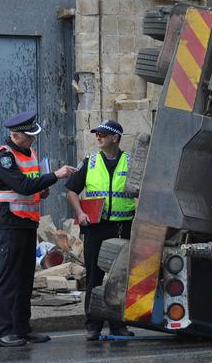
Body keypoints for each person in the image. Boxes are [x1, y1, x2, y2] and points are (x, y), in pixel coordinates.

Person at [0, 110, 76, 347]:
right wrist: (54, 176)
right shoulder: (3, 158)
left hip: (27, 221)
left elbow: (32, 185)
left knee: (26, 278)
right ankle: (3, 331)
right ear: (15, 134)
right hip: (10, 222)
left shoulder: (30, 152)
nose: (33, 139)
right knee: (9, 278)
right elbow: (23, 186)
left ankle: (22, 328)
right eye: (28, 136)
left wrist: (42, 188)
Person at [65, 120, 136, 341]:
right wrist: (80, 213)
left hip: (123, 226)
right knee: (95, 277)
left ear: (115, 138)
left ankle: (118, 324)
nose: (98, 137)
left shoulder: (131, 162)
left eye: (103, 135)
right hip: (96, 228)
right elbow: (71, 192)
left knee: (119, 279)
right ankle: (93, 325)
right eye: (97, 135)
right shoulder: (91, 161)